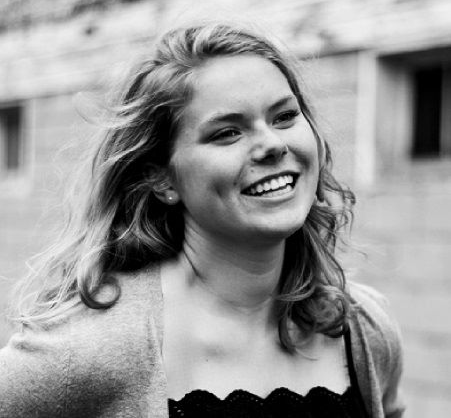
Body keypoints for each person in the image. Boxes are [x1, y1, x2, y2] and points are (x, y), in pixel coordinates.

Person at [0, 22, 404, 418]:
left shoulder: (363, 330)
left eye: (284, 117)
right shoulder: (91, 350)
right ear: (161, 176)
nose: (273, 145)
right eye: (227, 133)